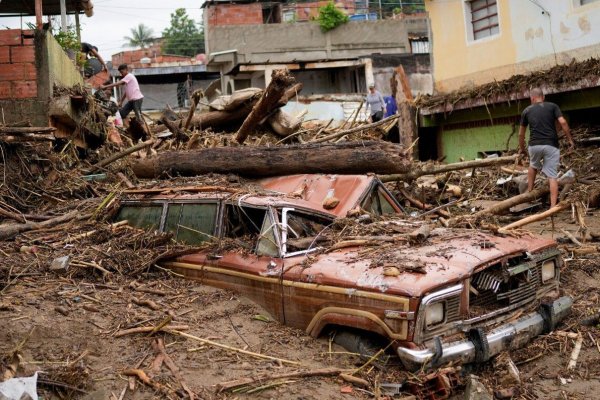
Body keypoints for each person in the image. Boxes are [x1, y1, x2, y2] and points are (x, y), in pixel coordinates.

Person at [518, 87, 574, 208]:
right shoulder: (553, 106)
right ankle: (553, 206)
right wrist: (570, 139)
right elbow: (563, 122)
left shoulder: (527, 110)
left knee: (533, 165)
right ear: (543, 97)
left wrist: (522, 148)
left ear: (532, 98)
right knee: (552, 175)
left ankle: (530, 191)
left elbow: (521, 134)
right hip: (551, 145)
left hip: (534, 145)